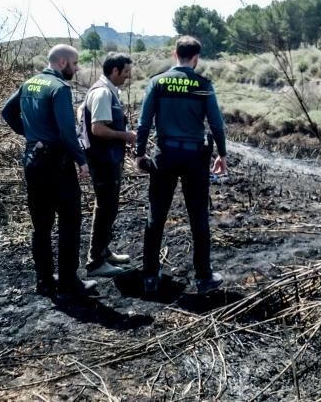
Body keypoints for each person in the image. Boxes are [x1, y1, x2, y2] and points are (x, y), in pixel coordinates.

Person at [1, 44, 97, 301]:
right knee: (69, 222)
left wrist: (31, 134)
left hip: (33, 162)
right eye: (75, 64)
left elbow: (7, 113)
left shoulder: (29, 83)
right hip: (58, 164)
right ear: (63, 62)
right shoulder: (59, 88)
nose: (77, 70)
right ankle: (68, 283)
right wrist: (81, 160)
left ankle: (44, 282)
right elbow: (67, 132)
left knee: (41, 226)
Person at [135, 35, 227, 295]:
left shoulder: (157, 82)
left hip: (164, 155)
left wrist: (140, 153)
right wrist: (222, 153)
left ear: (175, 53)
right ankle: (204, 278)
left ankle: (150, 276)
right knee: (198, 217)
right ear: (195, 58)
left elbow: (144, 123)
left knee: (156, 216)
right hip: (195, 158)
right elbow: (216, 124)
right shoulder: (202, 85)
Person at [81, 52, 137, 278]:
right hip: (103, 160)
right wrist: (126, 136)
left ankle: (103, 252)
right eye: (126, 73)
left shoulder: (106, 90)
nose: (127, 77)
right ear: (115, 71)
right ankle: (96, 263)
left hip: (108, 159)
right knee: (105, 209)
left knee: (109, 207)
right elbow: (98, 129)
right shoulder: (103, 93)